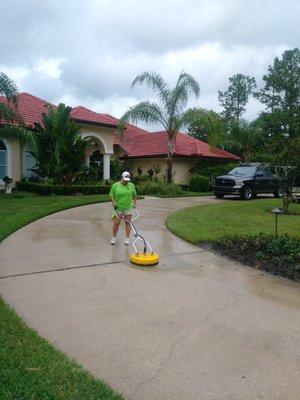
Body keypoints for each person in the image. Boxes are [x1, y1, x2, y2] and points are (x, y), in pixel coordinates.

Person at [109, 171, 137, 245]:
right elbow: (111, 194)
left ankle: (127, 239)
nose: (126, 181)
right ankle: (114, 238)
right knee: (116, 223)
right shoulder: (115, 185)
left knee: (128, 222)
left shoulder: (131, 185)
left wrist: (134, 203)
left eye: (127, 180)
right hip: (118, 207)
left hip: (128, 207)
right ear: (121, 178)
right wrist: (114, 202)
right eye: (125, 180)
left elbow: (134, 195)